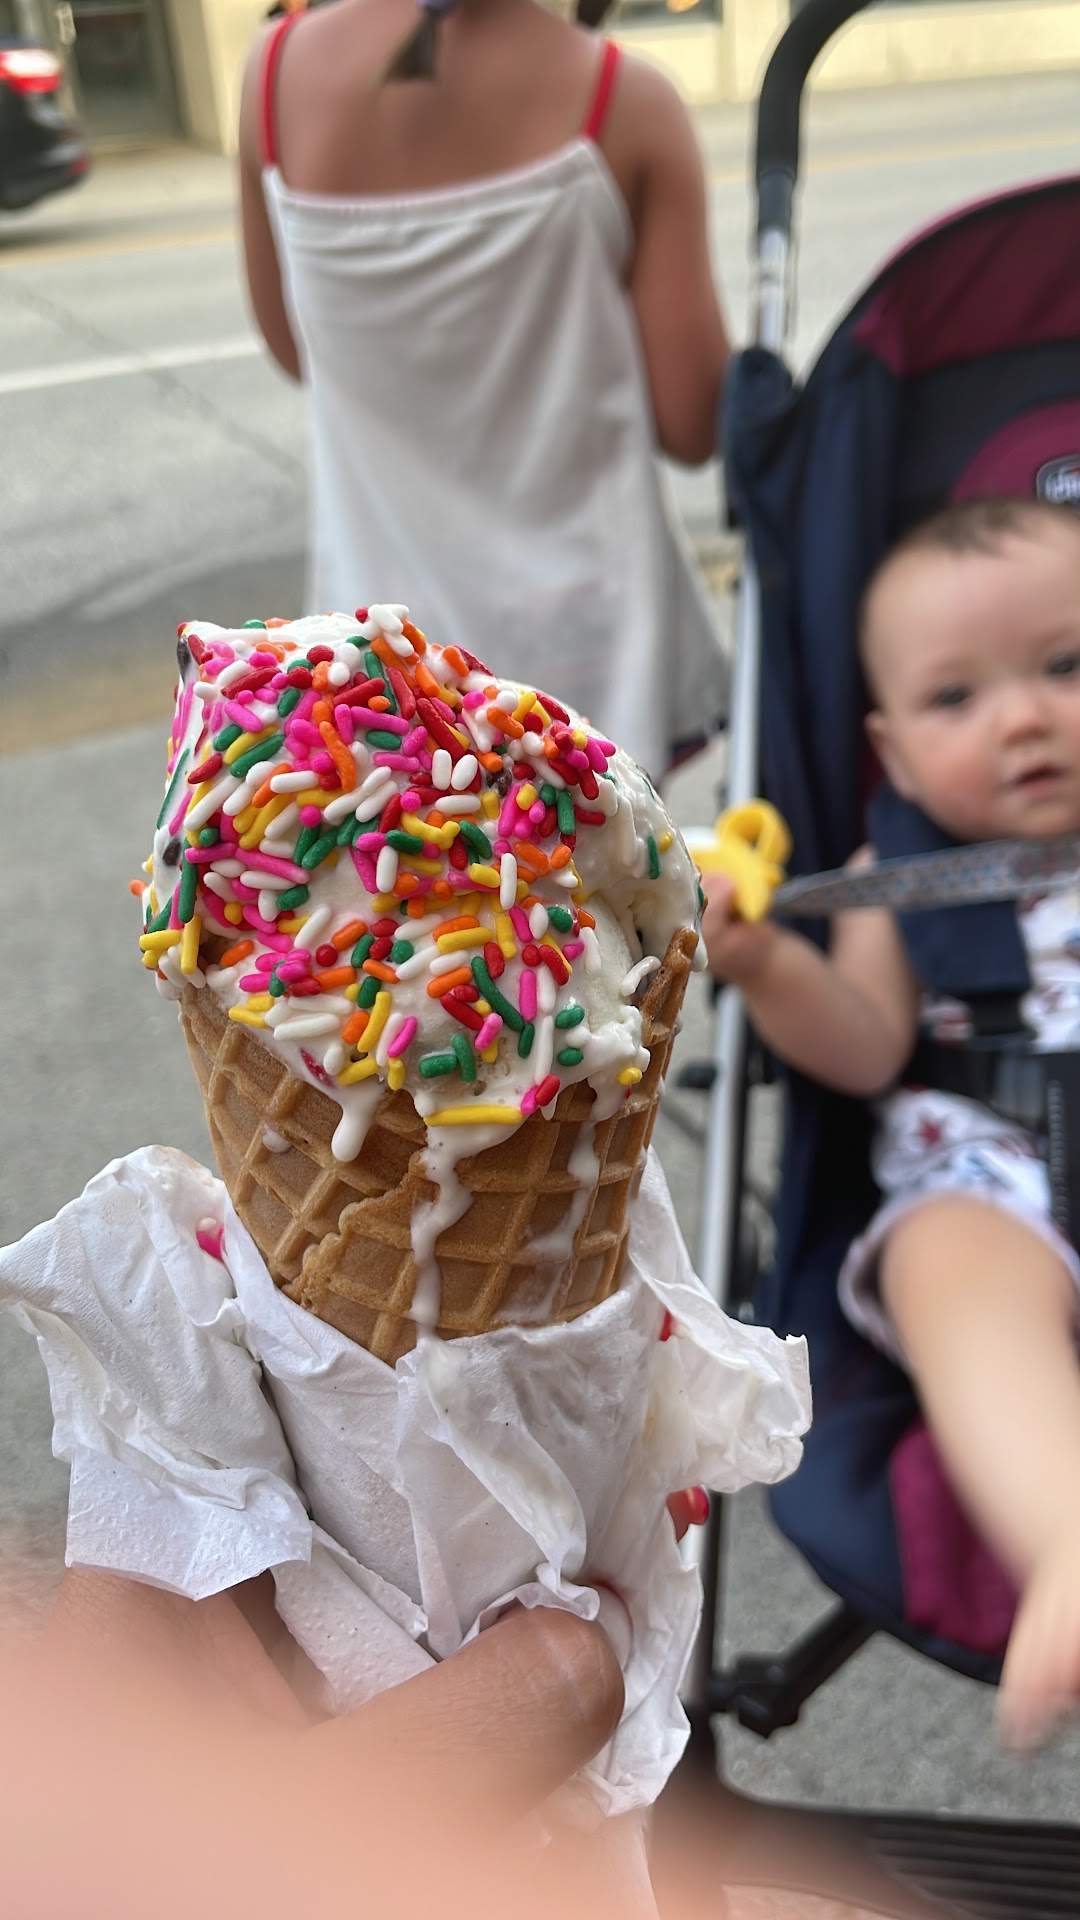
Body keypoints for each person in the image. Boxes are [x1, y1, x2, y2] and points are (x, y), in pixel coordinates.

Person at [702, 495, 1080, 1753]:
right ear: (895, 752)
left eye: (1066, 667)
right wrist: (766, 962)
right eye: (956, 698)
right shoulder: (895, 870)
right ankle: (1065, 1534)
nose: (1023, 718)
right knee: (946, 1269)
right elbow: (864, 1044)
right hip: (992, 1172)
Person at [236, 0, 731, 780]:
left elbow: (296, 349)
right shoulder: (625, 102)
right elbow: (694, 422)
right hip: (589, 656)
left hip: (382, 671)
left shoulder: (272, 77)